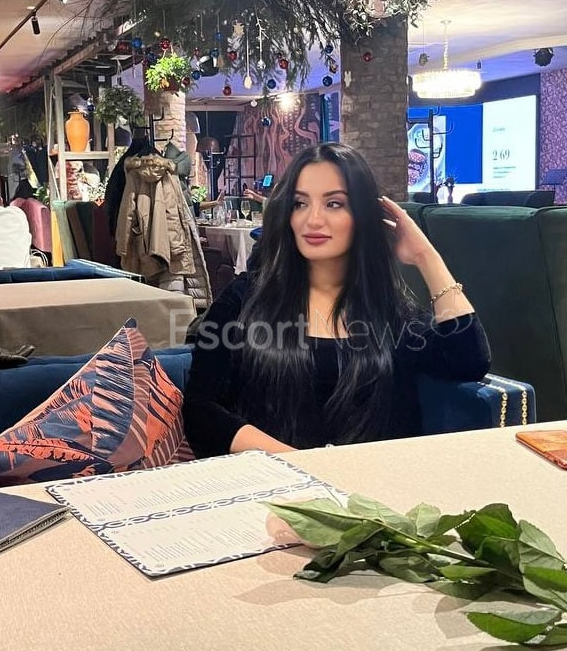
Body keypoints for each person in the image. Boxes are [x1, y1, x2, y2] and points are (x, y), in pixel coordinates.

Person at [183, 142, 490, 458]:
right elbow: (201, 410)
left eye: (334, 204)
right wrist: (301, 463)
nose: (313, 219)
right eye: (300, 203)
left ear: (362, 215)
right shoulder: (245, 297)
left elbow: (470, 359)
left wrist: (426, 257)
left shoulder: (388, 309)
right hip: (272, 479)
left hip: (369, 482)